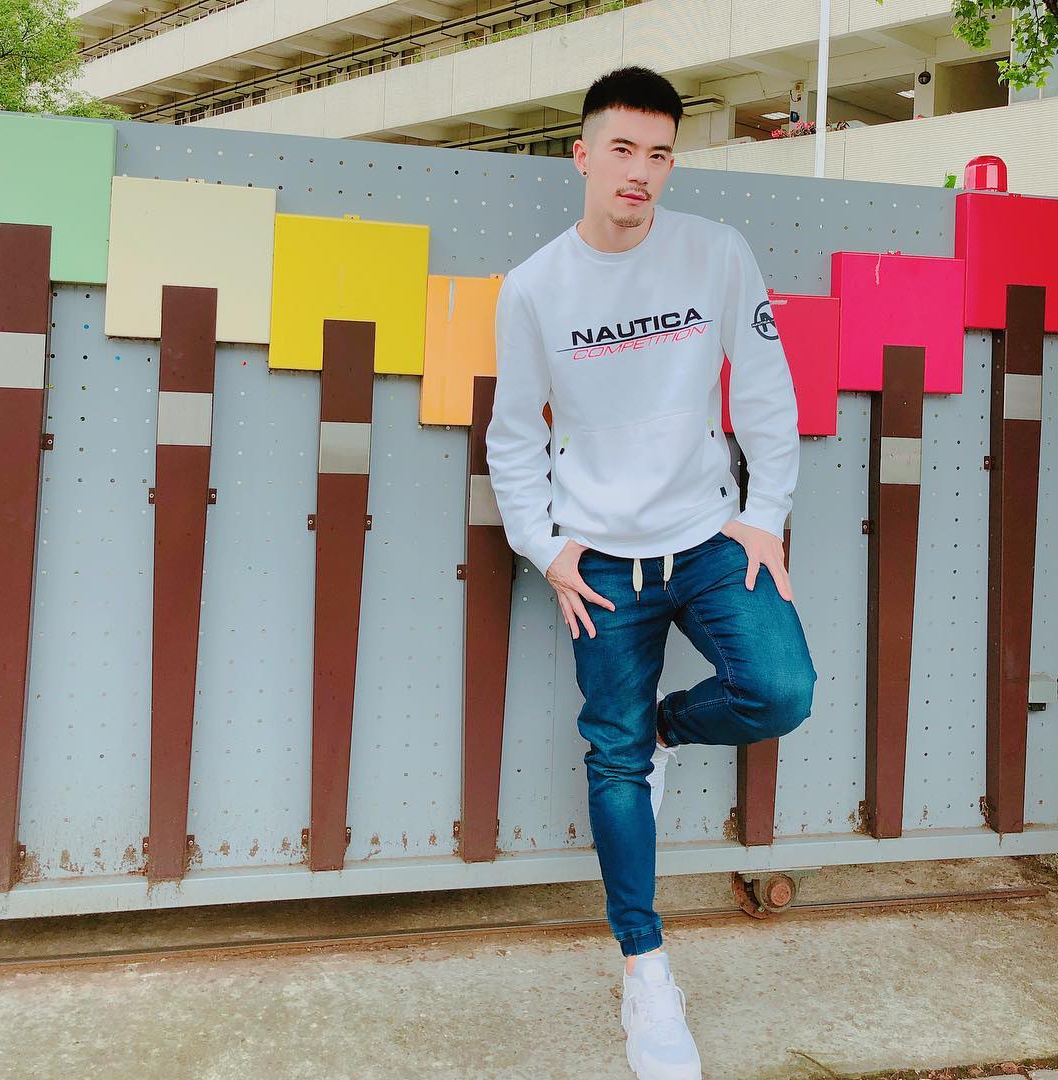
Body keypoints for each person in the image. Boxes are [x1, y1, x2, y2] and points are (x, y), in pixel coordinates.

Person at [485, 65, 818, 1080]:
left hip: (710, 539)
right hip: (601, 563)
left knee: (780, 690)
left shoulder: (716, 253)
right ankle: (645, 971)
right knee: (612, 761)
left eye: (660, 154)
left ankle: (670, 727)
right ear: (582, 155)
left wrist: (764, 516)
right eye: (622, 149)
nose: (640, 171)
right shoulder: (534, 287)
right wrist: (545, 547)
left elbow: (766, 390)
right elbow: (512, 434)